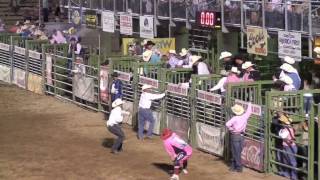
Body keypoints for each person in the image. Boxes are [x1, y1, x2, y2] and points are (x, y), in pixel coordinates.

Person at [226, 102, 252, 172]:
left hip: (235, 136)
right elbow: (249, 111)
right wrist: (249, 103)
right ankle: (234, 166)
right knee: (238, 151)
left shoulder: (235, 118)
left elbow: (227, 124)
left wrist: (232, 129)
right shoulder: (245, 116)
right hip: (242, 135)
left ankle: (237, 166)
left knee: (235, 152)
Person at [278, 114, 298, 180]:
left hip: (290, 147)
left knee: (292, 162)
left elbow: (282, 136)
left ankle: (294, 176)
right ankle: (288, 174)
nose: (281, 123)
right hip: (287, 146)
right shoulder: (286, 128)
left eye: (282, 122)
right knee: (286, 160)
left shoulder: (288, 129)